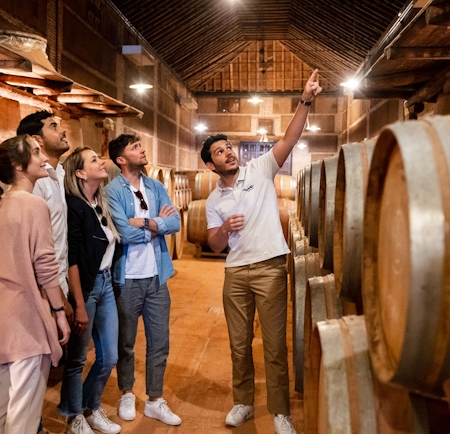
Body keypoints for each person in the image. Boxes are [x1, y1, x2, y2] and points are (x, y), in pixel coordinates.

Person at [200, 70, 322, 434]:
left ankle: (281, 412)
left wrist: (305, 100)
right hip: (236, 273)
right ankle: (243, 403)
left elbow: (290, 137)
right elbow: (213, 244)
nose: (229, 153)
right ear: (211, 165)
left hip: (270, 268)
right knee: (239, 345)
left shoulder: (261, 168)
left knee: (273, 346)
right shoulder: (212, 200)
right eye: (220, 151)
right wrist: (223, 228)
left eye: (229, 147)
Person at [0, 134, 71, 433]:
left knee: (0, 404)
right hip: (23, 320)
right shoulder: (33, 205)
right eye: (36, 152)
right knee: (22, 417)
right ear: (17, 165)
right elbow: (46, 267)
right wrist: (59, 312)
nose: (44, 157)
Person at [104, 134, 182, 426]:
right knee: (126, 342)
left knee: (159, 342)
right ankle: (126, 392)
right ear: (121, 159)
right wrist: (155, 228)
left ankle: (154, 399)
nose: (142, 149)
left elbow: (174, 223)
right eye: (135, 147)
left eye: (141, 145)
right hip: (127, 279)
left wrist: (147, 223)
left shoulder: (156, 186)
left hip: (157, 278)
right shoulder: (112, 190)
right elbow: (123, 232)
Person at [57, 147, 121, 434]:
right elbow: (71, 259)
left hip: (106, 284)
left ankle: (89, 406)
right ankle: (74, 417)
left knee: (109, 356)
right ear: (80, 173)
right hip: (87, 286)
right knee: (78, 358)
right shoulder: (74, 207)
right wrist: (80, 303)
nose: (101, 161)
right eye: (94, 160)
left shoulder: (100, 203)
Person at [17, 111, 74, 322]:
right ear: (37, 140)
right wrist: (58, 300)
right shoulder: (37, 182)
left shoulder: (57, 175)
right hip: (44, 291)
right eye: (53, 126)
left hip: (58, 285)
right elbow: (35, 249)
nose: (62, 130)